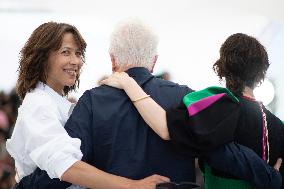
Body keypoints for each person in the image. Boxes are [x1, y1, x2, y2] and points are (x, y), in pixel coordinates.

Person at [16, 20, 281, 189]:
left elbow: (65, 169)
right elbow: (220, 151)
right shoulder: (185, 98)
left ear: (112, 59)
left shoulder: (92, 102)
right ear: (154, 61)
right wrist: (270, 176)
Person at [100, 33, 284, 188]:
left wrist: (127, 83)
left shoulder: (221, 106)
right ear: (261, 72)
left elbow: (166, 128)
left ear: (222, 68)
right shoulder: (278, 125)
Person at [6, 21, 169, 189]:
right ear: (42, 57)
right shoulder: (38, 104)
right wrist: (133, 186)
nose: (75, 61)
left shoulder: (57, 102)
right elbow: (67, 167)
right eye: (66, 52)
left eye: (78, 53)